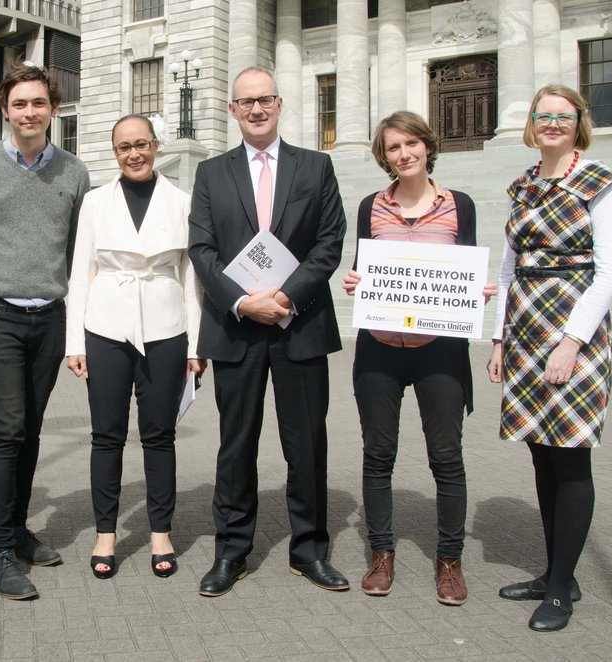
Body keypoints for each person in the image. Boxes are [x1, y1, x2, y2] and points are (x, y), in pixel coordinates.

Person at [188, 66, 348, 597]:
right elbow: (202, 249)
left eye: (264, 100)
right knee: (236, 445)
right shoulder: (211, 173)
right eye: (246, 102)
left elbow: (329, 240)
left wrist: (284, 297)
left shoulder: (316, 166)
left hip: (299, 324)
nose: (256, 109)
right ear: (232, 111)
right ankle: (231, 552)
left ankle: (310, 550)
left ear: (279, 104)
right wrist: (241, 301)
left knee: (307, 444)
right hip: (236, 328)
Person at [0, 63, 91, 600]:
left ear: (54, 109)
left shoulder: (74, 173)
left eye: (39, 103)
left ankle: (19, 528)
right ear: (4, 110)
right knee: (6, 431)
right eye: (20, 104)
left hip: (49, 318)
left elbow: (78, 248)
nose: (30, 112)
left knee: (30, 429)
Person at [342, 111, 496, 606]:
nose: (404, 154)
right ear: (383, 157)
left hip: (440, 351)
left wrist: (476, 291)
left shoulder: (459, 205)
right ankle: (381, 554)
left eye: (411, 143)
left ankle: (449, 561)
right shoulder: (371, 206)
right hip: (380, 348)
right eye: (393, 147)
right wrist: (356, 281)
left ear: (428, 147)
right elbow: (364, 268)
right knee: (377, 455)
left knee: (446, 457)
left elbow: (465, 266)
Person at [487, 85, 612, 632]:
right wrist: (499, 340)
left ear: (578, 123)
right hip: (525, 327)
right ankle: (553, 572)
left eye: (563, 117)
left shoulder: (598, 182)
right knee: (541, 453)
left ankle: (562, 589)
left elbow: (608, 272)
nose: (552, 124)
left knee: (569, 457)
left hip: (573, 333)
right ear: (532, 123)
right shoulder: (522, 185)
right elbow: (507, 268)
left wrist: (571, 342)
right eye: (543, 115)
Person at [65, 115, 204, 580]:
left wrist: (196, 345)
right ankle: (105, 533)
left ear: (156, 145)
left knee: (159, 435)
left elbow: (191, 277)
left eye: (141, 144)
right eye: (124, 147)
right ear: (115, 152)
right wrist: (74, 341)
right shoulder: (94, 201)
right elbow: (80, 273)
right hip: (105, 327)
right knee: (106, 435)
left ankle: (160, 532)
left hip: (166, 328)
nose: (134, 154)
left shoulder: (182, 201)